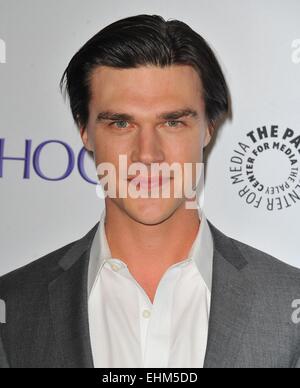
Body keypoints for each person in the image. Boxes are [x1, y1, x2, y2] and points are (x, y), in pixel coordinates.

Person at [0, 14, 299, 368]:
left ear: (208, 129)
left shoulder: (288, 306)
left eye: (172, 122)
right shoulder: (13, 307)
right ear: (85, 131)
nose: (147, 155)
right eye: (121, 123)